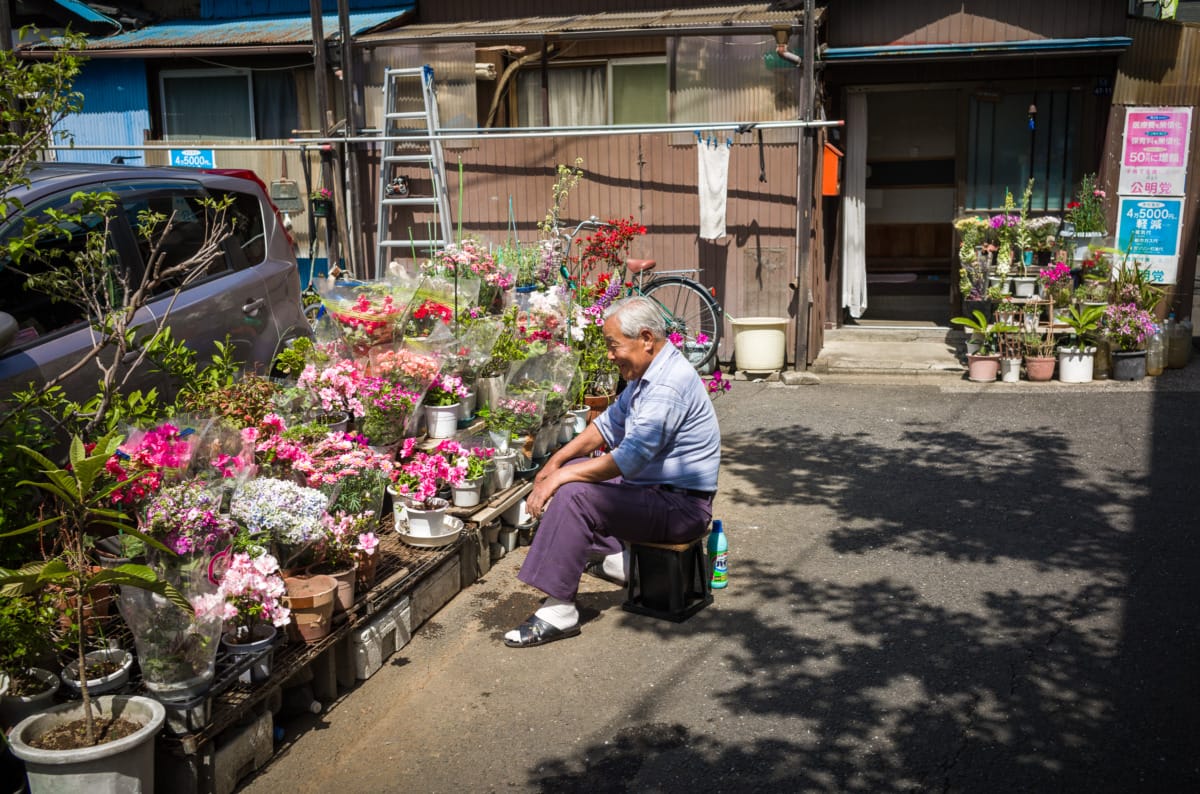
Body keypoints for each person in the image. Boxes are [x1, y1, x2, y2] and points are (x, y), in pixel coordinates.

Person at [503, 296, 721, 648]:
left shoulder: (667, 385)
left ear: (646, 338)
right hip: (655, 493)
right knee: (573, 472)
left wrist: (560, 478)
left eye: (613, 345)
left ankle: (560, 610)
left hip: (681, 509)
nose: (609, 355)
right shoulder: (650, 371)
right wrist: (556, 463)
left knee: (575, 494)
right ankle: (622, 560)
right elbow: (606, 427)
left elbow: (628, 460)